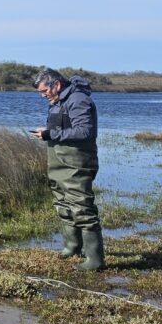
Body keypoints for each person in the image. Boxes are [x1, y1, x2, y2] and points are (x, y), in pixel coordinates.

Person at [30, 68, 104, 271]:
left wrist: (51, 134)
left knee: (82, 207)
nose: (43, 96)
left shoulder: (78, 100)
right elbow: (60, 131)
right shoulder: (57, 102)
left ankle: (95, 260)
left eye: (45, 91)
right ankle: (72, 247)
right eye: (40, 92)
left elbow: (84, 131)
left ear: (56, 85)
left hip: (76, 163)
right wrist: (47, 133)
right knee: (63, 204)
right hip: (58, 163)